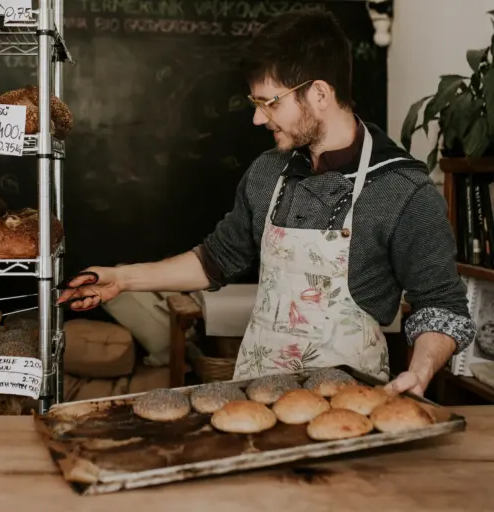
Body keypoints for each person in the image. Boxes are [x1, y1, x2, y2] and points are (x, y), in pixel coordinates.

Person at [57, 10, 476, 396]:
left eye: (270, 102)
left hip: (351, 412)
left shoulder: (402, 188)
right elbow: (213, 260)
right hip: (255, 397)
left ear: (319, 94)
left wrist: (419, 372)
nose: (258, 118)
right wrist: (121, 279)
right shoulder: (267, 173)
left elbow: (442, 306)